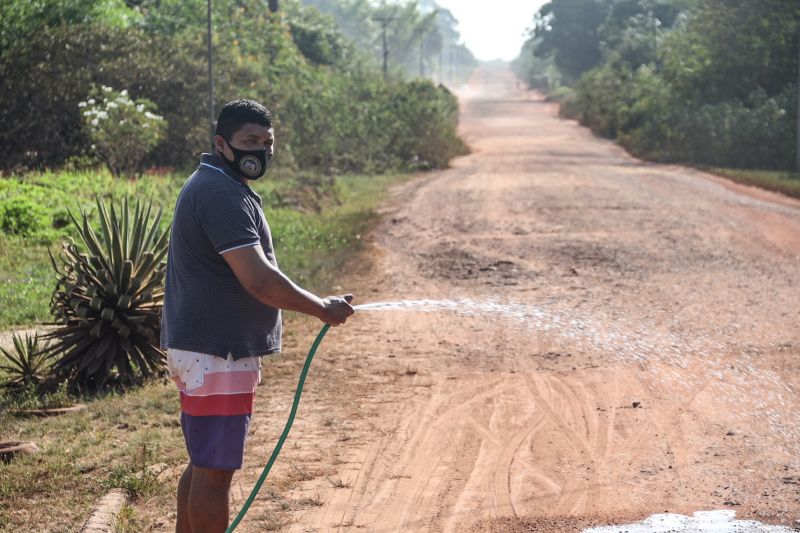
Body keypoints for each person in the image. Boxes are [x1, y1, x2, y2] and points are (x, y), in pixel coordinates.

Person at [160, 98, 354, 533]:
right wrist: (320, 309)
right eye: (250, 141)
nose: (260, 152)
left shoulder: (217, 184)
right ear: (222, 143)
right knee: (214, 473)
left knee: (204, 464)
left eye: (268, 143)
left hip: (204, 349)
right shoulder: (221, 193)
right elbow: (260, 281)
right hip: (217, 353)